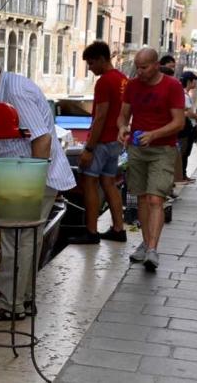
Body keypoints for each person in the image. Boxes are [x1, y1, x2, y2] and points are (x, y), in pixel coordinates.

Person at [0, 53, 76, 320]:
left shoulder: (14, 91)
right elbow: (11, 135)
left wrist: (31, 185)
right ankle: (22, 299)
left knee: (17, 240)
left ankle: (10, 304)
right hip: (23, 175)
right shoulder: (6, 92)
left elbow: (42, 138)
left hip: (27, 178)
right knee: (25, 240)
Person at [118, 48, 186, 271]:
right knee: (141, 198)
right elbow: (124, 115)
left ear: (156, 65)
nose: (139, 71)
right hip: (137, 149)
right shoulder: (132, 85)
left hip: (163, 149)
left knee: (156, 199)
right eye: (137, 67)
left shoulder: (172, 86)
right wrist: (122, 129)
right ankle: (146, 245)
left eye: (144, 67)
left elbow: (179, 123)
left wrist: (154, 134)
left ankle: (153, 250)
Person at [74, 42, 127, 245]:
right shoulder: (123, 79)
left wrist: (88, 148)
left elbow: (100, 117)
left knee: (89, 182)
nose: (89, 68)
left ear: (103, 59)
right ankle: (118, 229)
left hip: (102, 141)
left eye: (91, 62)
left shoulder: (105, 82)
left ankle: (91, 232)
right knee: (109, 182)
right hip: (116, 141)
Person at [177, 71, 197, 184]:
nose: (196, 82)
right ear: (189, 81)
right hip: (185, 127)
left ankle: (183, 174)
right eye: (194, 80)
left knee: (186, 151)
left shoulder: (185, 94)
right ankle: (181, 176)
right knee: (183, 151)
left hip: (189, 126)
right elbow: (186, 112)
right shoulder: (183, 95)